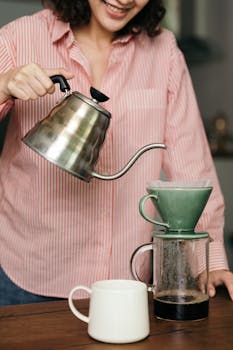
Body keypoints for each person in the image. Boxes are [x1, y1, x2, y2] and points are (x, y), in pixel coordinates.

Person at [0, 0, 232, 306]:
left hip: (126, 283)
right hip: (30, 275)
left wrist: (211, 262)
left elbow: (192, 166)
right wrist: (3, 86)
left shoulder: (163, 51)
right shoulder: (20, 37)